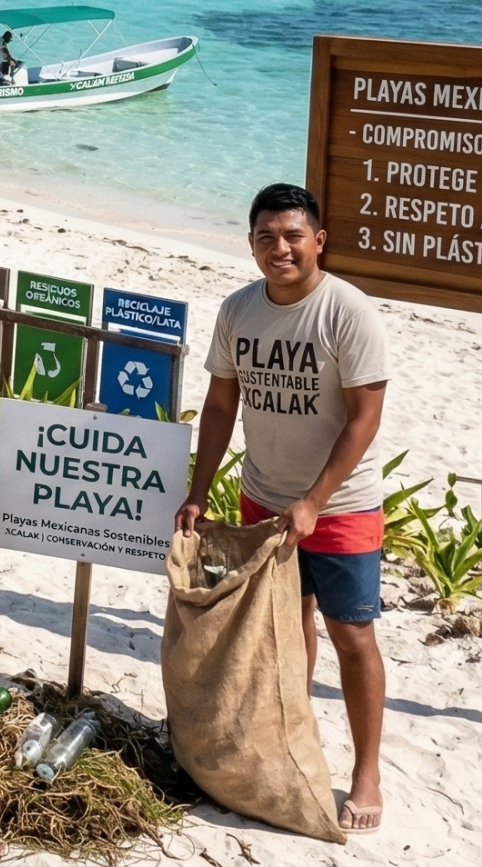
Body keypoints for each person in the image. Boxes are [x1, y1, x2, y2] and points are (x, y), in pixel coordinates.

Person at [176, 182, 391, 836]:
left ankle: (367, 773)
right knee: (280, 624)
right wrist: (198, 488)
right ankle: (289, 730)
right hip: (262, 496)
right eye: (266, 237)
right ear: (251, 244)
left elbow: (365, 417)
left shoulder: (348, 313)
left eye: (293, 236)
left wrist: (315, 501)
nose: (280, 248)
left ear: (318, 241)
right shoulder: (240, 310)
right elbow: (220, 404)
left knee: (352, 637)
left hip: (343, 508)